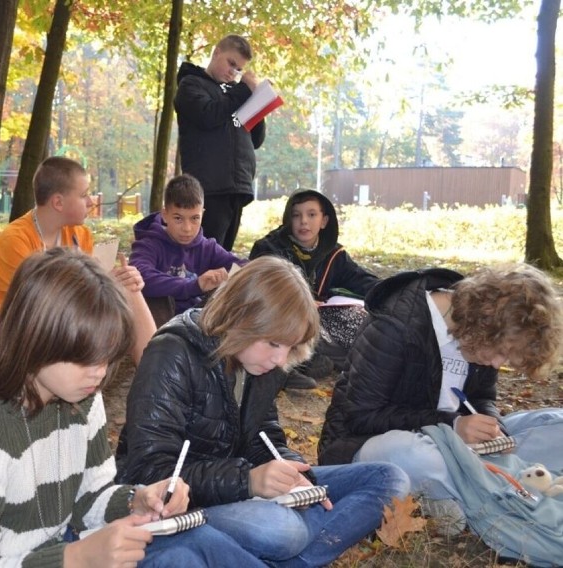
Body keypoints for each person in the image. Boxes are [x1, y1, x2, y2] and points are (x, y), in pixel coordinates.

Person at [0, 248, 265, 568]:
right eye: (86, 357)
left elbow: (91, 497)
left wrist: (136, 500)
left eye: (107, 357)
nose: (98, 373)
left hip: (69, 548)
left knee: (198, 542)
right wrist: (76, 558)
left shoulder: (81, 397)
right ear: (34, 336)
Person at [116, 256, 410, 567]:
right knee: (281, 530)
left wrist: (297, 473)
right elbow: (147, 470)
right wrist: (249, 482)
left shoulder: (262, 361)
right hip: (180, 504)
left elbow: (265, 438)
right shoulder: (172, 353)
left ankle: (281, 561)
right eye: (273, 343)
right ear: (241, 317)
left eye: (289, 346)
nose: (280, 358)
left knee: (387, 478)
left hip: (235, 487)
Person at [318, 264, 563, 535]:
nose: (497, 363)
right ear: (484, 321)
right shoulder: (396, 325)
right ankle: (502, 487)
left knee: (555, 424)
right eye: (500, 352)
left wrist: (493, 425)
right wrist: (453, 425)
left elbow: (481, 397)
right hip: (371, 445)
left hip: (458, 447)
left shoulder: (482, 333)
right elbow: (361, 416)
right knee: (411, 454)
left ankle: (486, 483)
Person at [0, 156, 154, 364]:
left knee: (129, 285)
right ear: (58, 202)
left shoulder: (80, 234)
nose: (91, 201)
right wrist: (98, 286)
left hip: (67, 319)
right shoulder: (14, 242)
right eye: (84, 195)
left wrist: (113, 283)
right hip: (19, 325)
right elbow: (33, 306)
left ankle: (156, 376)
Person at [250, 190, 380, 387]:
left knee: (361, 319)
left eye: (311, 215)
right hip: (281, 316)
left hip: (318, 320)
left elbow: (362, 280)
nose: (304, 221)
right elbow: (260, 289)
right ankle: (290, 368)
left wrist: (393, 289)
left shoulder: (333, 253)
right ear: (288, 219)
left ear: (324, 221)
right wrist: (300, 300)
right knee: (284, 322)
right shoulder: (269, 249)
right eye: (296, 215)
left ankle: (315, 360)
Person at [175, 34, 266, 252]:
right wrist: (243, 90)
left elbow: (256, 139)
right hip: (209, 189)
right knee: (203, 259)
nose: (233, 72)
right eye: (231, 63)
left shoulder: (234, 94)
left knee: (222, 260)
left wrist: (258, 103)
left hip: (237, 187)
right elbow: (209, 115)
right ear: (216, 52)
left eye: (239, 69)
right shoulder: (191, 84)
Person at [129, 173, 245, 319]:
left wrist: (227, 277)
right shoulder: (148, 244)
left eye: (195, 218)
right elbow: (139, 277)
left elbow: (244, 268)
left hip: (197, 325)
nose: (187, 228)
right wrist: (194, 286)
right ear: (164, 214)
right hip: (157, 329)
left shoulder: (208, 248)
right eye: (178, 218)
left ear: (202, 214)